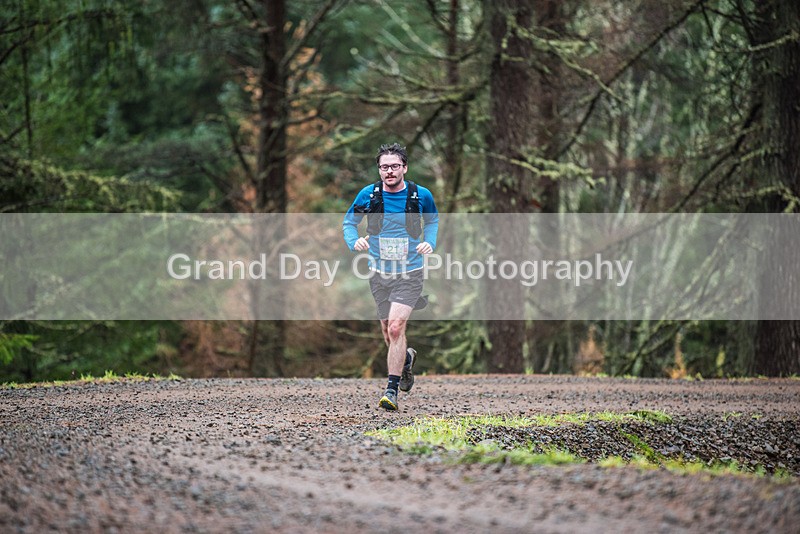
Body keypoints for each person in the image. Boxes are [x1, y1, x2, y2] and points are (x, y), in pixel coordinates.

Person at [343, 143, 439, 411]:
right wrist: (354, 242)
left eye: (395, 166)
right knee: (387, 330)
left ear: (404, 168)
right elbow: (349, 223)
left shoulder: (420, 195)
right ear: (379, 169)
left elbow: (432, 220)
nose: (389, 171)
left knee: (396, 328)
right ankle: (405, 361)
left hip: (410, 271)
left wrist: (429, 242)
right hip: (379, 273)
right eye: (384, 167)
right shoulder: (368, 195)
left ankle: (391, 390)